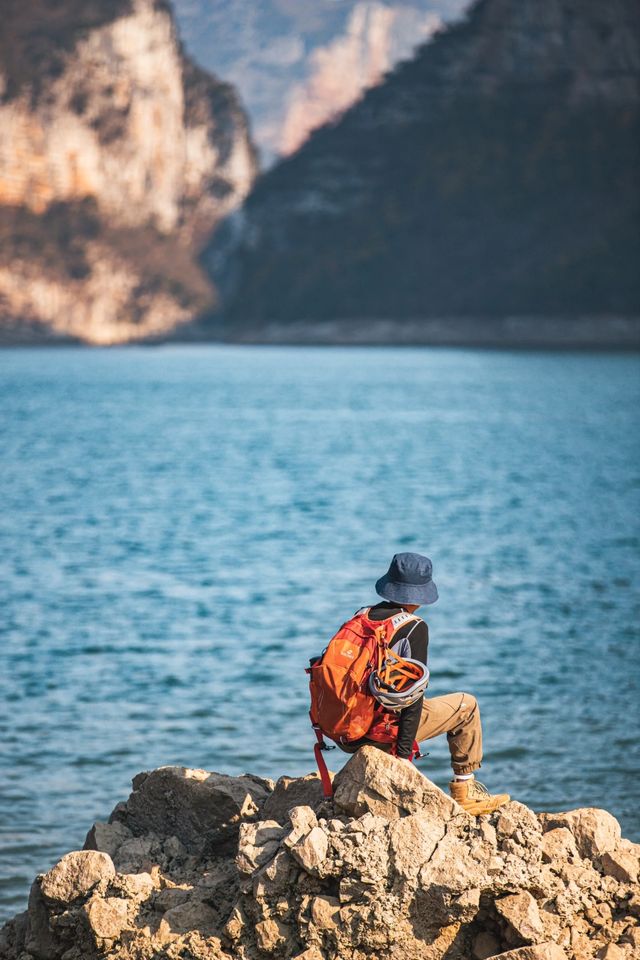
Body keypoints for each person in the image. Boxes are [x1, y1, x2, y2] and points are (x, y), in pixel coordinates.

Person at [337, 552, 510, 816]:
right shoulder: (413, 628)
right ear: (420, 594)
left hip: (345, 730)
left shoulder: (363, 616)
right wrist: (403, 757)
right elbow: (413, 697)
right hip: (376, 731)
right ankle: (465, 792)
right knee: (467, 706)